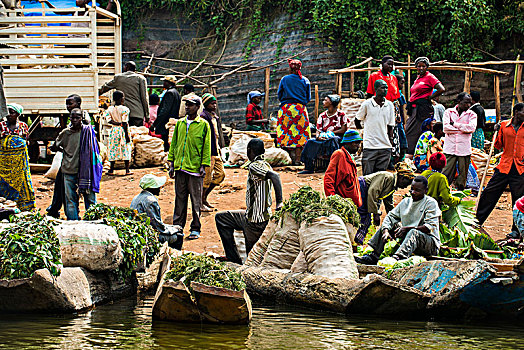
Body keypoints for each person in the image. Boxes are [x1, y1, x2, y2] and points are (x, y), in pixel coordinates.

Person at [215, 138, 283, 264]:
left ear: (249, 151)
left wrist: (280, 201)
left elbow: (275, 176)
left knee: (252, 259)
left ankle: (236, 260)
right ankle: (233, 257)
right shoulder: (266, 164)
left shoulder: (254, 166)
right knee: (222, 218)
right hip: (260, 216)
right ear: (263, 151)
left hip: (254, 222)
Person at [355, 176, 441, 265]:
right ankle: (374, 255)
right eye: (412, 189)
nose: (413, 193)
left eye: (417, 190)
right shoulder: (406, 201)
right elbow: (390, 217)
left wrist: (406, 229)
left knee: (414, 232)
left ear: (425, 190)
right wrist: (385, 231)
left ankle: (398, 258)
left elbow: (429, 227)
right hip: (408, 240)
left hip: (429, 244)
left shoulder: (431, 203)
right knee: (390, 225)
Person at [477, 103, 524, 236]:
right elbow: (498, 145)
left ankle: (516, 231)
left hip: (520, 168)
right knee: (489, 193)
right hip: (504, 165)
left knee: (518, 200)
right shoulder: (504, 126)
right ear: (516, 112)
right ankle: (476, 221)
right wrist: (496, 131)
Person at [168, 95, 211, 240]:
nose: (187, 107)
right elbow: (174, 144)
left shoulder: (203, 124)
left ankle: (195, 228)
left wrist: (204, 166)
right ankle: (177, 227)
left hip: (195, 168)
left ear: (198, 107)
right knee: (180, 199)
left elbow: (207, 147)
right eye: (186, 105)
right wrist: (172, 163)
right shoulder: (180, 123)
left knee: (196, 200)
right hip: (180, 167)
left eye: (191, 105)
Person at [53, 108, 103, 220]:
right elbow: (55, 145)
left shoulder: (88, 132)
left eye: (77, 117)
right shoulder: (66, 133)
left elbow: (55, 146)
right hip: (70, 171)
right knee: (71, 199)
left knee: (89, 200)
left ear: (82, 118)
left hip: (85, 171)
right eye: (73, 118)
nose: (75, 120)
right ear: (69, 119)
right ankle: (74, 223)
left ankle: (92, 221)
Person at [47, 94, 90, 218]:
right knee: (63, 189)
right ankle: (59, 209)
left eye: (70, 103)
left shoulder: (84, 119)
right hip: (71, 162)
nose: (68, 106)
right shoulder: (71, 121)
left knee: (72, 192)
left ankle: (64, 212)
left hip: (77, 163)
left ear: (78, 104)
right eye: (67, 104)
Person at [355, 163, 415, 245]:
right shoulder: (388, 177)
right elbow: (372, 192)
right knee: (365, 218)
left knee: (367, 219)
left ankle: (359, 240)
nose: (406, 187)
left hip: (367, 193)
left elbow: (388, 204)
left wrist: (396, 221)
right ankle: (357, 241)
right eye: (407, 183)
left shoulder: (393, 186)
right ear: (401, 178)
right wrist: (375, 213)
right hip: (362, 188)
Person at [130, 174, 184, 250]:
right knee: (179, 235)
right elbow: (158, 226)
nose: (160, 188)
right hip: (147, 235)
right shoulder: (151, 201)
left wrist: (171, 227)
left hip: (139, 231)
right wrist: (174, 229)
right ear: (152, 188)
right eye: (158, 186)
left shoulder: (137, 197)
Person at [405, 57, 445, 156]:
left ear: (427, 67)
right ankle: (412, 152)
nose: (421, 68)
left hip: (423, 109)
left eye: (423, 66)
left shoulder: (430, 77)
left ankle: (420, 154)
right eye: (419, 66)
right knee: (410, 130)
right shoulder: (418, 78)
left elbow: (441, 89)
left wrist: (429, 98)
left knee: (419, 131)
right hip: (415, 108)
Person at [299, 94, 348, 174]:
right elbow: (318, 130)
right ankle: (308, 167)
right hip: (324, 138)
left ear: (331, 103)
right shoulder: (322, 116)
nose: (323, 102)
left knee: (333, 140)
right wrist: (318, 137)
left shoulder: (341, 114)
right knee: (310, 142)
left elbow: (343, 129)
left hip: (337, 138)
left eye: (326, 100)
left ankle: (333, 167)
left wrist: (332, 133)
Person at [355, 79, 395, 175]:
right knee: (367, 176)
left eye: (386, 88)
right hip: (370, 146)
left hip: (385, 146)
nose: (385, 90)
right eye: (382, 87)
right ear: (376, 89)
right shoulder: (367, 104)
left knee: (380, 177)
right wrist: (362, 132)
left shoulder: (389, 105)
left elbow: (390, 126)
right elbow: (357, 119)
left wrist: (391, 141)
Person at [276, 59, 311, 164]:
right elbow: (308, 98)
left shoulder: (284, 79)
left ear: (290, 68)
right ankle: (297, 160)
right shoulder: (305, 80)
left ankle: (287, 158)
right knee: (300, 133)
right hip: (300, 109)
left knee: (285, 132)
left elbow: (279, 94)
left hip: (286, 108)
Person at [0, 103, 35, 211]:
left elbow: (26, 141)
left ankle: (24, 207)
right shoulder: (1, 126)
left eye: (12, 112)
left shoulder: (23, 126)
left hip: (19, 164)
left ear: (18, 114)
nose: (9, 115)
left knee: (24, 184)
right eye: (8, 112)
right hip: (4, 163)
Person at [441, 92, 476, 190]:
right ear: (459, 101)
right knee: (446, 174)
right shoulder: (449, 112)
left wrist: (455, 124)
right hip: (450, 149)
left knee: (462, 176)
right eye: (466, 103)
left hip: (464, 150)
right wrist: (462, 130)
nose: (468, 105)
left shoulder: (472, 114)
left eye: (470, 103)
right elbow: (445, 128)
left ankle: (460, 193)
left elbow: (471, 128)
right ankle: (444, 192)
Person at [99, 61, 149, 127]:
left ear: (126, 68)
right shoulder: (141, 79)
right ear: (134, 69)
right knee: (136, 135)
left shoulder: (118, 78)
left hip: (121, 115)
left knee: (122, 135)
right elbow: (144, 98)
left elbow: (104, 88)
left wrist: (94, 94)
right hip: (136, 114)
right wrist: (147, 115)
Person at [324, 130, 363, 207]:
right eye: (356, 143)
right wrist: (333, 199)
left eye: (359, 143)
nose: (358, 146)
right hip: (342, 204)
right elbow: (328, 179)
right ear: (348, 143)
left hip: (351, 204)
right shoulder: (339, 154)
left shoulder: (350, 157)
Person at [200, 93, 225, 212]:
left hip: (215, 150)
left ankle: (204, 198)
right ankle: (201, 201)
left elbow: (216, 135)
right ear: (205, 104)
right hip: (208, 151)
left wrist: (219, 148)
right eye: (211, 103)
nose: (214, 105)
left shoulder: (213, 117)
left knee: (220, 174)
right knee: (206, 178)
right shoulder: (203, 117)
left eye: (215, 103)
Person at [103, 90, 132, 176]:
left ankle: (111, 170)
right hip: (122, 130)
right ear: (121, 99)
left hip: (114, 130)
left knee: (113, 148)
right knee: (125, 148)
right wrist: (127, 135)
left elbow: (109, 120)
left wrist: (116, 123)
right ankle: (127, 170)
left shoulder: (110, 109)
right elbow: (125, 123)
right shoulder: (125, 109)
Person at [150, 75, 181, 151]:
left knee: (166, 144)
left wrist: (155, 124)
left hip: (166, 123)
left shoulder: (169, 93)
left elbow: (165, 110)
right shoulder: (176, 93)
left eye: (165, 82)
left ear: (169, 83)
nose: (163, 83)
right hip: (172, 121)